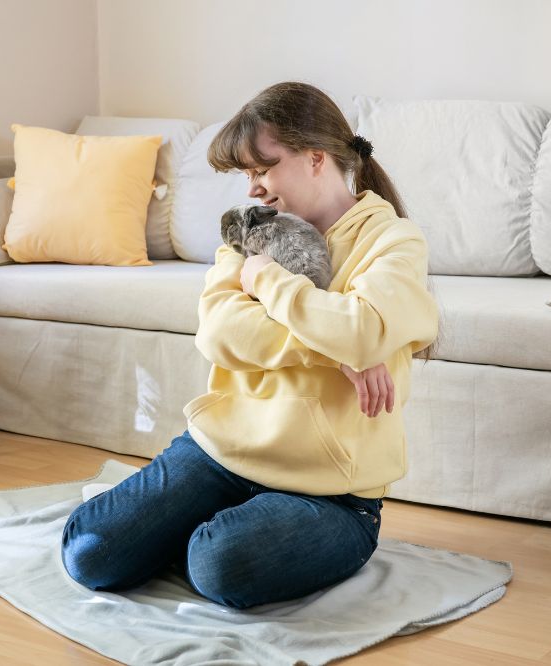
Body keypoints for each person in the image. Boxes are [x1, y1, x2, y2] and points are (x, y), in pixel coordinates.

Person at [61, 81, 439, 610]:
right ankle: (199, 526)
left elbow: (363, 330)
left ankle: (207, 535)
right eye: (246, 174)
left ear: (315, 157)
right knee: (89, 554)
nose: (253, 188)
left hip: (330, 492)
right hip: (223, 452)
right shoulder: (250, 230)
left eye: (263, 169)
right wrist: (339, 349)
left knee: (217, 564)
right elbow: (219, 333)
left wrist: (264, 279)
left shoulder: (393, 240)